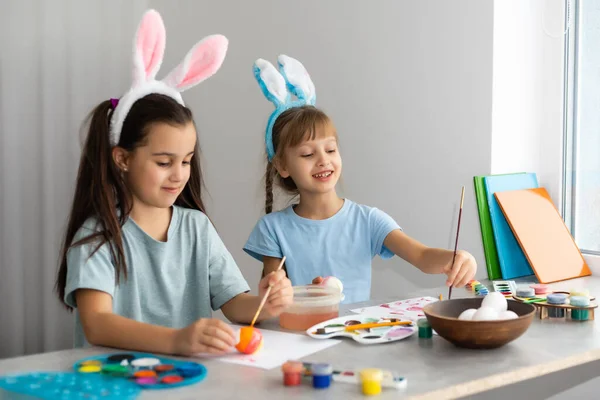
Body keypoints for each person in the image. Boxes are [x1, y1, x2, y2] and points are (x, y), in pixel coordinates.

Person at [54, 10, 292, 356]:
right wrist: (176, 340)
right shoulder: (97, 236)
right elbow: (97, 323)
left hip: (185, 383)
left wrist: (266, 304)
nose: (179, 174)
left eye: (186, 160)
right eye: (164, 162)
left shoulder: (196, 228)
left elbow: (234, 303)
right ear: (122, 159)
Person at [243, 55, 476, 304]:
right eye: (308, 154)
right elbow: (273, 298)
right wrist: (304, 294)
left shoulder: (368, 221)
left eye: (330, 150)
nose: (323, 160)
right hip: (299, 337)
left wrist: (457, 258)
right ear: (282, 165)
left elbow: (421, 256)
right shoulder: (272, 229)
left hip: (353, 337)